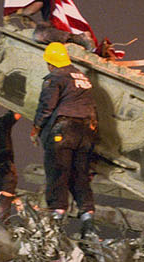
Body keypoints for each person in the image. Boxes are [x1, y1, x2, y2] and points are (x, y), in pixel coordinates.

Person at [33, 41, 100, 236]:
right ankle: (87, 216)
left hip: (64, 130)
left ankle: (56, 216)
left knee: (57, 171)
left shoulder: (55, 77)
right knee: (80, 174)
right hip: (86, 133)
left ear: (50, 63)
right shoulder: (81, 77)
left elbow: (47, 106)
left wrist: (36, 127)